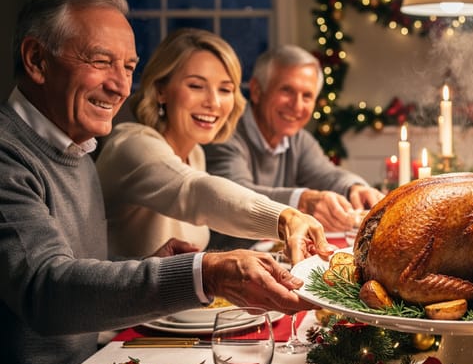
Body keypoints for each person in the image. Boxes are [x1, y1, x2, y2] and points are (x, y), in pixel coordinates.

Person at [0, 0, 326, 364]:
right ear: (37, 60)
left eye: (128, 67)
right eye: (101, 61)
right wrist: (207, 270)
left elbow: (70, 266)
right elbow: (45, 291)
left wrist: (149, 265)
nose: (119, 86)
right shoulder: (11, 153)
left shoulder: (75, 149)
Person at [94, 29, 333, 262]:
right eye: (196, 86)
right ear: (160, 90)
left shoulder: (196, 154)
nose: (214, 102)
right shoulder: (132, 144)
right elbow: (194, 191)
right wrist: (284, 217)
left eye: (225, 89)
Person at [204, 44, 383, 244]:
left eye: (307, 96)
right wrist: (303, 201)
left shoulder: (298, 139)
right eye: (286, 91)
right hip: (219, 260)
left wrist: (354, 188)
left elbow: (327, 174)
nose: (297, 106)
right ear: (256, 91)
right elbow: (238, 196)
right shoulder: (225, 133)